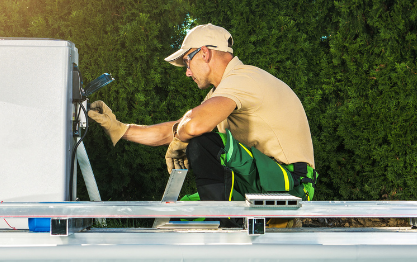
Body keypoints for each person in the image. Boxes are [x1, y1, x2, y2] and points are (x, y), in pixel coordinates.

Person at [86, 23, 318, 204]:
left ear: (204, 53)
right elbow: (177, 128)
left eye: (188, 61)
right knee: (181, 214)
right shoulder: (225, 91)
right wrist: (119, 128)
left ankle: (224, 223)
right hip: (265, 180)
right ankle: (219, 219)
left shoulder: (243, 79)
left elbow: (193, 127)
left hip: (292, 185)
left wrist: (183, 137)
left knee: (202, 143)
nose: (187, 72)